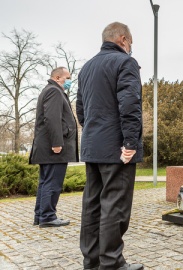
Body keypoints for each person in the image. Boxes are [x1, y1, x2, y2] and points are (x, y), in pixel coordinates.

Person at [76, 22, 143, 270]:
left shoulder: (87, 67)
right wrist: (129, 142)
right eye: (130, 44)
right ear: (123, 39)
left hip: (93, 146)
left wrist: (94, 132)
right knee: (115, 206)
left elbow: (81, 110)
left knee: (92, 205)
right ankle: (112, 263)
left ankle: (92, 261)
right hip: (117, 149)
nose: (130, 48)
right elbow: (129, 104)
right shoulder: (125, 63)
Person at [29, 67, 78, 228]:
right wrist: (57, 143)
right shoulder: (54, 91)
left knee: (45, 181)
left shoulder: (49, 90)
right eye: (68, 77)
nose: (70, 80)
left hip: (47, 148)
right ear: (57, 77)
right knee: (52, 182)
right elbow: (52, 119)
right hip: (54, 148)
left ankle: (41, 215)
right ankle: (48, 216)